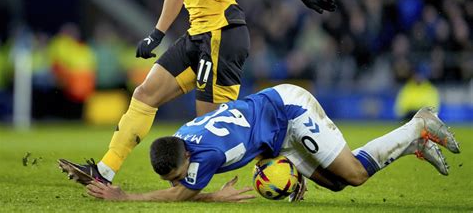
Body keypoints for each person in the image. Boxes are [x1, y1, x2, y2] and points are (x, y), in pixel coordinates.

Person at [59, 0, 337, 184]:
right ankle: (104, 171)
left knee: (211, 129)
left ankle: (293, 164)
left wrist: (156, 34)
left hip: (220, 36)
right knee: (146, 94)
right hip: (201, 35)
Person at [59, 84, 460, 202]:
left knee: (353, 175)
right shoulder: (183, 135)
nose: (175, 182)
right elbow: (240, 137)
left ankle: (417, 124)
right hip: (272, 131)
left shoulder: (207, 155)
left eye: (178, 175)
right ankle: (413, 145)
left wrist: (125, 198)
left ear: (186, 160)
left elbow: (181, 197)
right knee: (335, 183)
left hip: (289, 111)